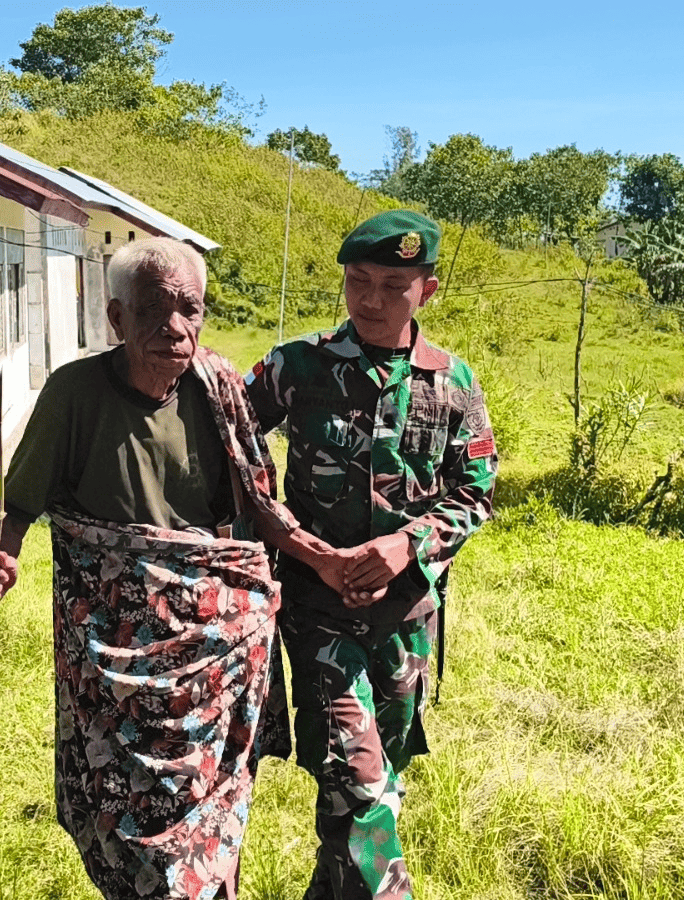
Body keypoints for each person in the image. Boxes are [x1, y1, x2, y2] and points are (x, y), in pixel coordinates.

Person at [0, 237, 346, 900]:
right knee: (126, 815)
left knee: (213, 807)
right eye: (153, 309)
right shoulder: (74, 394)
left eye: (189, 309)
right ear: (116, 318)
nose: (174, 326)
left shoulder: (217, 387)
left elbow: (259, 506)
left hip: (213, 653)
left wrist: (328, 562)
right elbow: (16, 507)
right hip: (113, 663)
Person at [244, 210, 498, 900]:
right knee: (360, 780)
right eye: (358, 280)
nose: (372, 300)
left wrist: (405, 545)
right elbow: (227, 441)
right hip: (318, 611)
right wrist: (300, 542)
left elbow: (476, 494)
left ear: (427, 291)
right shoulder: (297, 365)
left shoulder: (454, 382)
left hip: (406, 618)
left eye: (393, 285)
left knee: (375, 780)